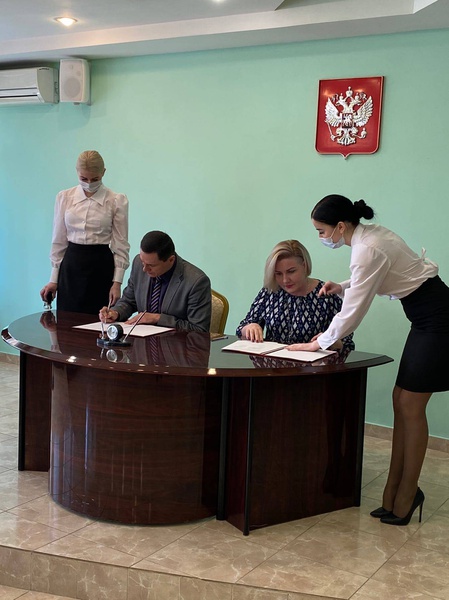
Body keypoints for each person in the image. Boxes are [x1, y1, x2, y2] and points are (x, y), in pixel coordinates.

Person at [289, 193, 449, 526]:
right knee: (400, 399)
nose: (320, 238)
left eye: (321, 231)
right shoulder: (369, 237)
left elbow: (353, 312)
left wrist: (319, 343)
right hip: (426, 318)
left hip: (440, 321)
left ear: (340, 226)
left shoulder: (367, 248)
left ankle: (407, 493)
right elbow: (374, 275)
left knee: (411, 405)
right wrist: (342, 285)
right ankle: (395, 490)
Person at [40, 150, 130, 315]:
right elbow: (58, 241)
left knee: (98, 320)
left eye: (95, 179)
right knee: (66, 320)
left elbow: (121, 244)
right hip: (71, 265)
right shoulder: (64, 197)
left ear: (103, 173)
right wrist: (53, 280)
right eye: (84, 179)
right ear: (77, 172)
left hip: (100, 265)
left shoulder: (116, 200)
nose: (89, 183)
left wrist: (117, 282)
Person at [236, 239, 355, 352]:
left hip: (314, 364)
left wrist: (331, 341)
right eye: (278, 274)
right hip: (273, 363)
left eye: (291, 271)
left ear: (304, 266)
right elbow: (243, 327)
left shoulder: (326, 294)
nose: (285, 280)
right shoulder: (270, 291)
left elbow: (346, 342)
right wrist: (249, 328)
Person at [99, 230, 211, 333]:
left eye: (151, 265)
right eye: (143, 262)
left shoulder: (196, 282)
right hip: (142, 342)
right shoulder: (138, 263)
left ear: (171, 260)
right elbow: (129, 301)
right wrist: (115, 313)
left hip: (175, 345)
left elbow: (199, 329)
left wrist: (157, 318)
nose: (144, 269)